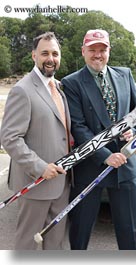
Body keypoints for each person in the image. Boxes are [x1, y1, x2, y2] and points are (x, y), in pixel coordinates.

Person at [62, 29, 136, 250]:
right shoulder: (71, 83)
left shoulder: (125, 74)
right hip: (90, 167)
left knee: (131, 235)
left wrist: (133, 131)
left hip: (126, 167)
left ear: (109, 51)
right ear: (83, 51)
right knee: (80, 232)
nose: (97, 54)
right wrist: (106, 156)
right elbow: (78, 127)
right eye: (92, 50)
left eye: (102, 50)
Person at [1, 32, 71, 250]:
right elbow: (10, 138)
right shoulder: (22, 90)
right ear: (34, 56)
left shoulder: (59, 88)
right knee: (27, 245)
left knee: (56, 244)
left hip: (63, 182)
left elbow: (61, 131)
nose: (50, 58)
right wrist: (40, 168)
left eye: (55, 53)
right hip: (36, 184)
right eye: (45, 53)